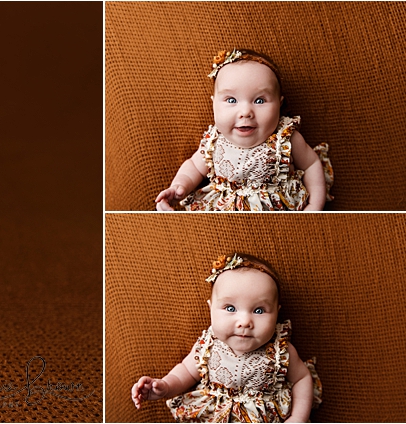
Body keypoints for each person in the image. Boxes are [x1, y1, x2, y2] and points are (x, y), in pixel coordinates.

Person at [131, 253, 322, 422]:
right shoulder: (208, 346)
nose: (245, 321)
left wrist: (298, 418)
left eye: (259, 310)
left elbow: (302, 378)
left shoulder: (281, 350)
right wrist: (164, 386)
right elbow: (186, 372)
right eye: (230, 308)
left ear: (276, 313)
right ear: (211, 309)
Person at [155, 50, 333, 211]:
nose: (246, 112)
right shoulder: (214, 141)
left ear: (279, 104)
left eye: (260, 101)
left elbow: (311, 164)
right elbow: (193, 167)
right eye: (231, 100)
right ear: (214, 104)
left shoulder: (285, 139)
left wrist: (315, 206)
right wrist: (179, 187)